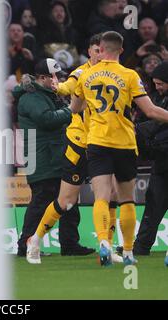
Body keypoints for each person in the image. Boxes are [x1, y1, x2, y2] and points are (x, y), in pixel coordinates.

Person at [69, 31, 168, 266]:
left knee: (102, 197)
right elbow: (151, 111)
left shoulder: (86, 75)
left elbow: (74, 108)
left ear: (100, 49)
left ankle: (103, 242)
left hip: (97, 142)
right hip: (123, 143)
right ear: (121, 51)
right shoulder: (130, 75)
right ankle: (128, 252)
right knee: (126, 200)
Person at [26, 34, 109, 264]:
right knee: (66, 200)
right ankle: (35, 239)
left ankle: (110, 248)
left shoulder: (116, 73)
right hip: (78, 142)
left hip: (103, 142)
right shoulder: (81, 73)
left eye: (103, 50)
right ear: (89, 52)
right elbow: (67, 86)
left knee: (108, 194)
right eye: (96, 50)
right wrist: (59, 87)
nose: (100, 54)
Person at [14, 58, 93, 258]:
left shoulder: (44, 95)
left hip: (53, 156)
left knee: (68, 200)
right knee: (41, 201)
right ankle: (26, 244)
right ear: (42, 78)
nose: (59, 80)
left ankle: (69, 243)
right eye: (55, 76)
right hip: (42, 158)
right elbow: (47, 119)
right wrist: (71, 110)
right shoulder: (31, 97)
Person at [132, 62, 168, 255]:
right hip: (161, 165)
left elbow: (155, 125)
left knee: (154, 205)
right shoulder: (157, 99)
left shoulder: (158, 104)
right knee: (153, 206)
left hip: (162, 158)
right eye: (155, 83)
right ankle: (141, 247)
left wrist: (138, 130)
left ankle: (141, 246)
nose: (157, 87)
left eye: (161, 83)